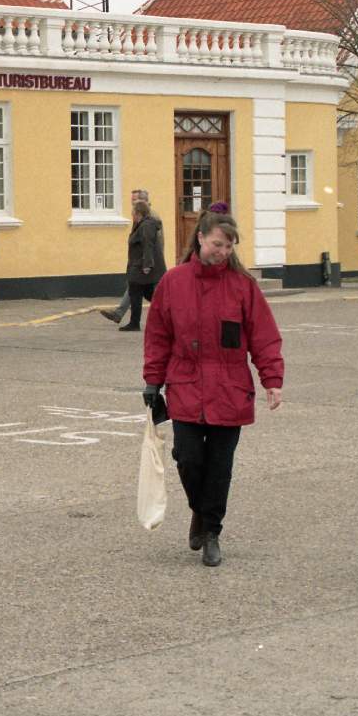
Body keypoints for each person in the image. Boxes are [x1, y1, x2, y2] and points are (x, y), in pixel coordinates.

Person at [142, 210, 284, 567]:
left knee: (220, 467)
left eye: (228, 246)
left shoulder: (242, 286)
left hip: (229, 389)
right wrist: (152, 381)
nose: (222, 251)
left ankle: (212, 532)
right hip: (185, 386)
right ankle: (200, 512)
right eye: (217, 244)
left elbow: (264, 336)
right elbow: (158, 336)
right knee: (187, 459)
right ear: (201, 238)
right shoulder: (173, 282)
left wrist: (272, 380)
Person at [100, 188, 151, 324]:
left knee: (143, 290)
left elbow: (153, 243)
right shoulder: (139, 217)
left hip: (146, 263)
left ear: (144, 201)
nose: (132, 204)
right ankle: (125, 316)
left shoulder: (150, 218)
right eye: (132, 201)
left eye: (135, 200)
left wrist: (149, 262)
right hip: (139, 262)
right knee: (135, 288)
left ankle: (125, 316)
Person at [121, 200, 166, 331]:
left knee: (135, 291)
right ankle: (169, 310)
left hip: (142, 267)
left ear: (138, 213)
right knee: (148, 293)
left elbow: (148, 245)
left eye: (133, 213)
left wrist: (147, 265)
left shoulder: (146, 226)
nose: (132, 215)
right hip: (140, 265)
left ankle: (134, 323)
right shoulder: (142, 224)